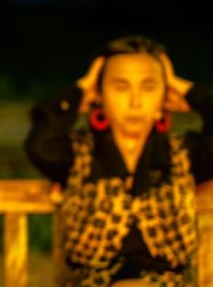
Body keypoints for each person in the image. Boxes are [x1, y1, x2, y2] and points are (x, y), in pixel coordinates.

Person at [24, 36, 213, 286]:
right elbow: (40, 145)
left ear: (164, 98)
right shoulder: (78, 155)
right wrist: (79, 91)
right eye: (121, 86)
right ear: (99, 96)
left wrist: (187, 91)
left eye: (148, 87)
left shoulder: (182, 156)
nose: (135, 101)